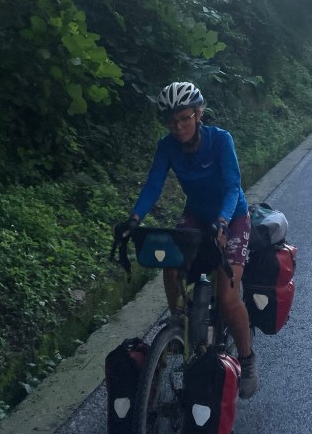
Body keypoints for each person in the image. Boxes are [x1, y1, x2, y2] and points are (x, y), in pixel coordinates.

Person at [115, 81, 258, 399]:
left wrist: (223, 221)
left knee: (228, 298)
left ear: (198, 114)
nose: (178, 126)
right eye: (172, 121)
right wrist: (134, 219)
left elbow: (232, 186)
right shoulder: (167, 146)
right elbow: (153, 185)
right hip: (196, 214)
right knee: (171, 261)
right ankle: (178, 323)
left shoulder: (220, 140)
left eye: (184, 118)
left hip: (232, 217)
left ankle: (247, 360)